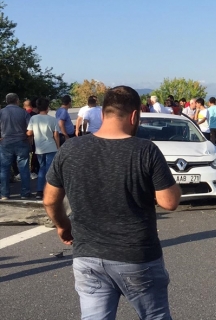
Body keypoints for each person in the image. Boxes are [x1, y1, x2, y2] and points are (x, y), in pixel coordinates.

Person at [43, 85, 181, 320]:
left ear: (104, 112)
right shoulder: (145, 150)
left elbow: (49, 200)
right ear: (135, 115)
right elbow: (169, 202)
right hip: (137, 257)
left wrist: (63, 225)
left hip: (87, 256)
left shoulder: (71, 149)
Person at [0, 93, 32, 200]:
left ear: (6, 101)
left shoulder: (1, 112)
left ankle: (4, 193)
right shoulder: (23, 112)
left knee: (4, 168)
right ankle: (25, 193)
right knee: (23, 168)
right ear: (17, 100)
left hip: (5, 142)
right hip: (21, 141)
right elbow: (30, 128)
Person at [26, 98, 59, 199]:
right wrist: (58, 147)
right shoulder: (52, 119)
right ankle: (50, 191)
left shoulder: (33, 119)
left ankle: (39, 191)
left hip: (39, 148)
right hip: (51, 147)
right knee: (50, 170)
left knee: (41, 169)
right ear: (47, 107)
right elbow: (56, 135)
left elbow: (29, 133)